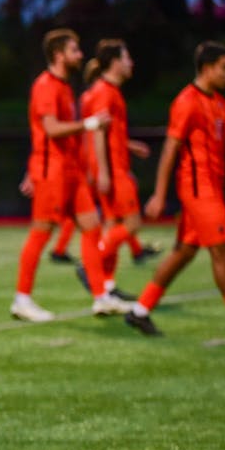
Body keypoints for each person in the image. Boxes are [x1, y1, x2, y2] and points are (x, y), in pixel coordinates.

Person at [125, 41, 225, 339]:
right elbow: (170, 148)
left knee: (183, 253)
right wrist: (158, 193)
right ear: (207, 69)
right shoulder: (186, 102)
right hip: (198, 192)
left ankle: (139, 311)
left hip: (210, 190)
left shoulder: (218, 102)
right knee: (222, 251)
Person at [9, 28, 130, 322]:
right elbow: (50, 130)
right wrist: (88, 125)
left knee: (91, 227)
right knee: (41, 232)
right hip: (53, 172)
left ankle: (101, 297)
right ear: (58, 54)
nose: (80, 55)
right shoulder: (46, 85)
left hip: (70, 170)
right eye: (74, 50)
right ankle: (21, 299)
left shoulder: (63, 86)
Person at [78, 40, 152, 300]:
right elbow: (97, 132)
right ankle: (92, 264)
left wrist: (129, 146)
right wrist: (104, 173)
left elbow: (109, 132)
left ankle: (107, 286)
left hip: (116, 166)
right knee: (132, 224)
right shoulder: (104, 91)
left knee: (115, 226)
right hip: (113, 170)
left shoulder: (111, 91)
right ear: (115, 62)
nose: (131, 63)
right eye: (127, 57)